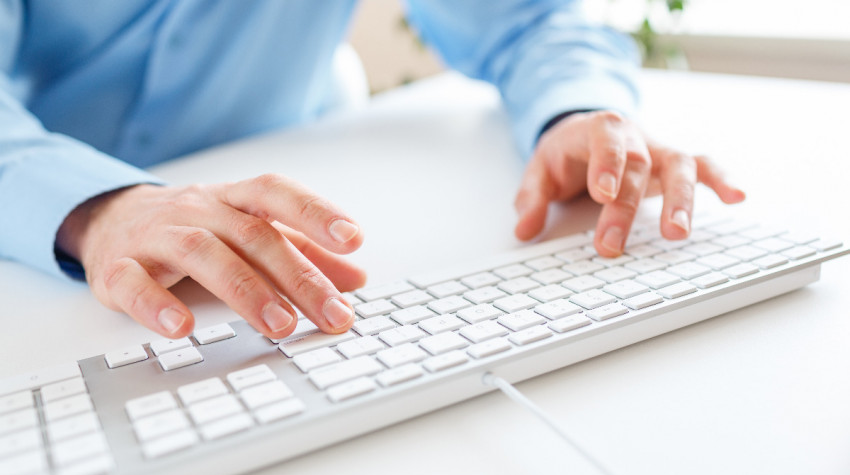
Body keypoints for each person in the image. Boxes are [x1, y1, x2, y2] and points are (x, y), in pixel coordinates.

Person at [0, 1, 744, 341]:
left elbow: (526, 21)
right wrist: (97, 208)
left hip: (309, 178)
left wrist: (575, 112)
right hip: (47, 251)